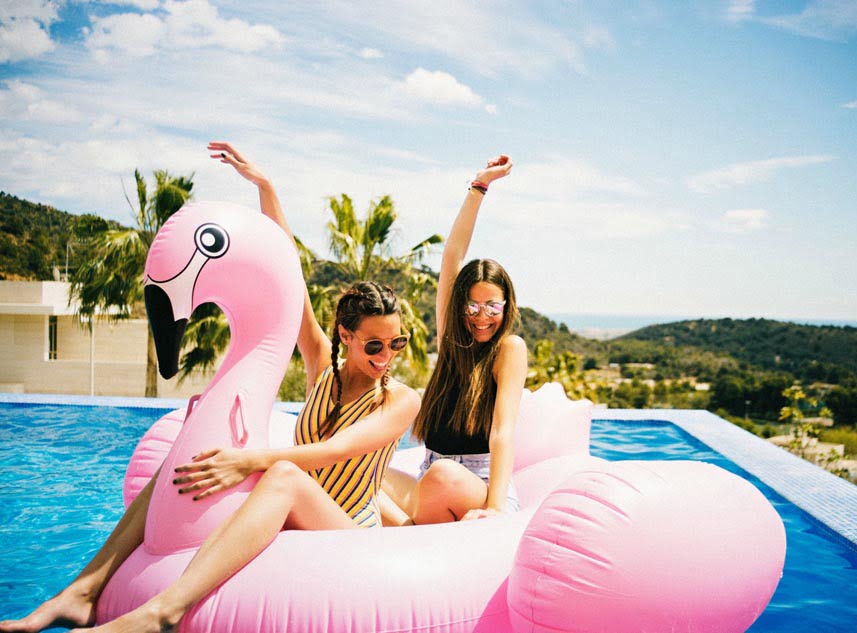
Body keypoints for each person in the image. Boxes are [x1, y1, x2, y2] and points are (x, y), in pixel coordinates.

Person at [0, 144, 420, 633]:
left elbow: (336, 451)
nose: (386, 356)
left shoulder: (399, 398)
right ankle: (83, 590)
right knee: (181, 461)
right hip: (292, 515)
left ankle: (164, 611)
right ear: (345, 335)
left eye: (397, 343)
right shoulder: (321, 364)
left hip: (348, 531)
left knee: (283, 475)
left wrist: (247, 461)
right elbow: (289, 275)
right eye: (374, 345)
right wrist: (267, 188)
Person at [381, 155, 527, 526]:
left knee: (442, 475)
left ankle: (410, 529)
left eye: (492, 306)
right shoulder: (452, 343)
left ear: (506, 305)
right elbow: (451, 256)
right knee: (355, 470)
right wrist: (479, 185)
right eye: (472, 306)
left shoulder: (508, 349)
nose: (482, 316)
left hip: (478, 485)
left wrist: (495, 507)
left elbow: (502, 431)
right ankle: (410, 528)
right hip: (430, 478)